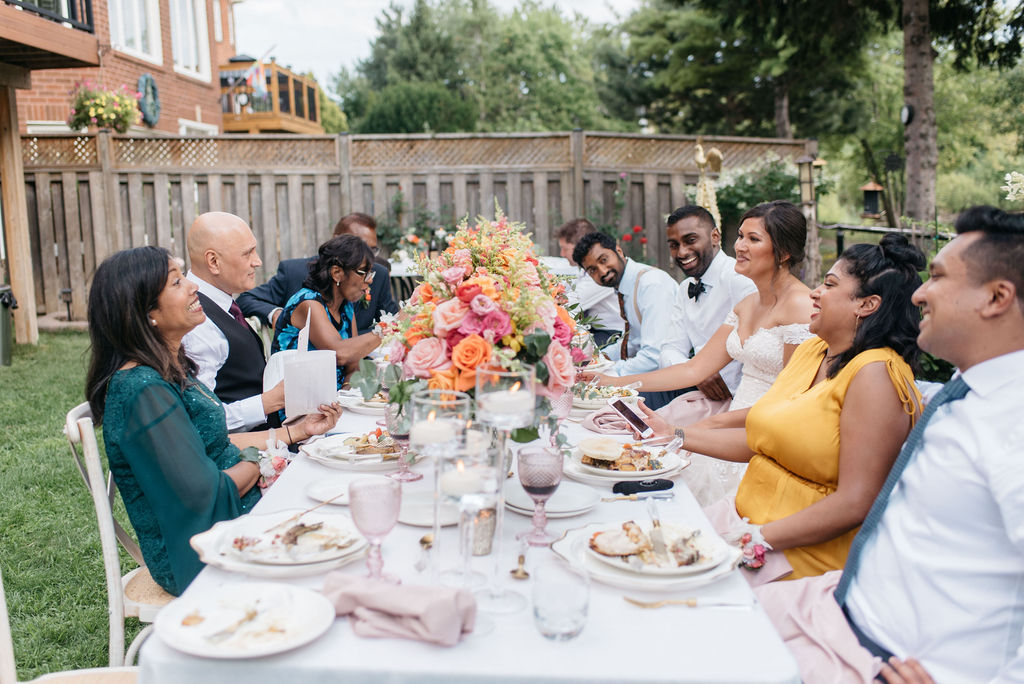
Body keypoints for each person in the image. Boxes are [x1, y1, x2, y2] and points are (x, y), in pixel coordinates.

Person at [755, 207, 1024, 683]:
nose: (918, 292)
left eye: (938, 277)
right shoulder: (966, 390)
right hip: (835, 604)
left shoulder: (1012, 421)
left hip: (889, 660)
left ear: (996, 298)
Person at [640, 233, 925, 581]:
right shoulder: (812, 351)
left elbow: (857, 501)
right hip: (745, 516)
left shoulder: (876, 373)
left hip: (803, 551)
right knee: (644, 544)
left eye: (830, 285)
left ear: (867, 305)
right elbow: (762, 442)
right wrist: (674, 434)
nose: (816, 292)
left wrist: (753, 540)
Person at [84, 246, 342, 595]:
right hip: (199, 547)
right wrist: (262, 460)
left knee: (335, 488)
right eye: (177, 283)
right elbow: (204, 494)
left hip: (228, 510)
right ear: (147, 314)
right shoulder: (142, 391)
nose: (192, 287)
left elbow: (211, 444)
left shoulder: (168, 367)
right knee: (337, 523)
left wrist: (296, 431)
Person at [585, 201, 811, 504]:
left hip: (765, 433)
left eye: (753, 239)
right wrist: (608, 382)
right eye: (741, 236)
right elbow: (694, 369)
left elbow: (790, 403)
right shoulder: (747, 305)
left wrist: (703, 427)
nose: (740, 246)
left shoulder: (800, 306)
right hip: (730, 419)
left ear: (783, 253)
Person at [181, 211, 283, 432]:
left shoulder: (221, 303)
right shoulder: (195, 321)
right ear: (213, 262)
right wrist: (270, 402)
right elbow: (201, 419)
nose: (257, 261)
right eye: (248, 253)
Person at [237, 212, 399, 335]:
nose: (368, 256)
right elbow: (246, 299)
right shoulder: (294, 273)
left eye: (372, 250)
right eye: (359, 246)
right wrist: (277, 314)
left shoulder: (378, 274)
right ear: (337, 240)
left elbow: (390, 322)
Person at [572, 231, 678, 408]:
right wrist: (597, 359)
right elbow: (633, 342)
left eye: (603, 260)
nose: (602, 271)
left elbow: (654, 357)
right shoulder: (626, 287)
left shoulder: (651, 285)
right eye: (592, 270)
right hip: (653, 374)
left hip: (672, 383)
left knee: (598, 404)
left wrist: (609, 374)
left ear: (619, 251)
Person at [271, 234, 382, 390]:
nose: (370, 280)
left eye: (371, 273)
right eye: (364, 272)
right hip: (299, 403)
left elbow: (353, 363)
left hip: (331, 401)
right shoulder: (308, 303)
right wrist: (390, 327)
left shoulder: (346, 307)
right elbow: (339, 353)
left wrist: (345, 394)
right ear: (337, 272)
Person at [555, 218, 623, 347]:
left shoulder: (602, 274)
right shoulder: (586, 271)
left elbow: (569, 304)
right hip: (596, 329)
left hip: (613, 334)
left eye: (565, 249)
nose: (562, 254)